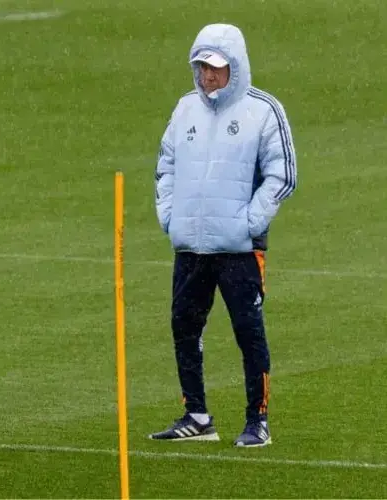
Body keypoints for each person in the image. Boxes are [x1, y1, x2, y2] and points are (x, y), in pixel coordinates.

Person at [149, 23, 297, 447]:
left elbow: (283, 175)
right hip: (190, 245)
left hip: (239, 249)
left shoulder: (263, 110)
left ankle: (257, 422)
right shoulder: (185, 109)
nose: (208, 75)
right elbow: (165, 167)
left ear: (236, 66)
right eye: (202, 67)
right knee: (184, 326)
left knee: (248, 332)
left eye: (216, 67)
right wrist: (170, 217)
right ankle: (197, 416)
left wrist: (249, 223)